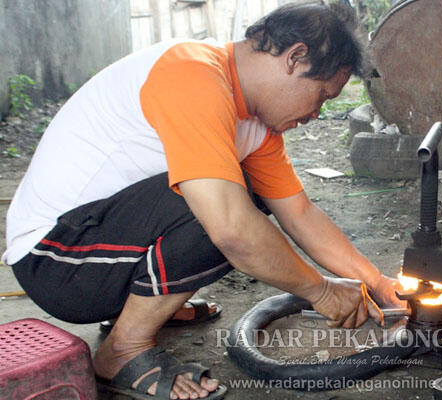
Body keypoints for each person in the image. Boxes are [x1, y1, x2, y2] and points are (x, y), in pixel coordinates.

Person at [2, 2, 402, 399]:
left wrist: (377, 283)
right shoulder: (192, 74)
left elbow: (299, 213)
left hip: (95, 249)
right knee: (227, 208)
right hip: (56, 265)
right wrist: (323, 292)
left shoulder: (256, 126)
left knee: (237, 196)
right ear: (295, 58)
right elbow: (232, 230)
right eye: (322, 95)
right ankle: (124, 349)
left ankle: (145, 305)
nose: (316, 114)